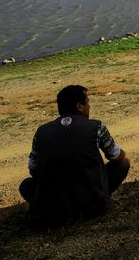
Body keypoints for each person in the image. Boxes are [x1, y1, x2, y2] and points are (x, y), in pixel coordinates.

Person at [19, 85, 130, 223]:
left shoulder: (41, 132)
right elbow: (116, 156)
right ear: (80, 106)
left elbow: (33, 170)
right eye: (88, 102)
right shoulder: (96, 127)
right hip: (91, 203)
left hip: (54, 207)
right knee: (123, 164)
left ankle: (48, 208)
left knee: (25, 185)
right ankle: (100, 201)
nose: (89, 106)